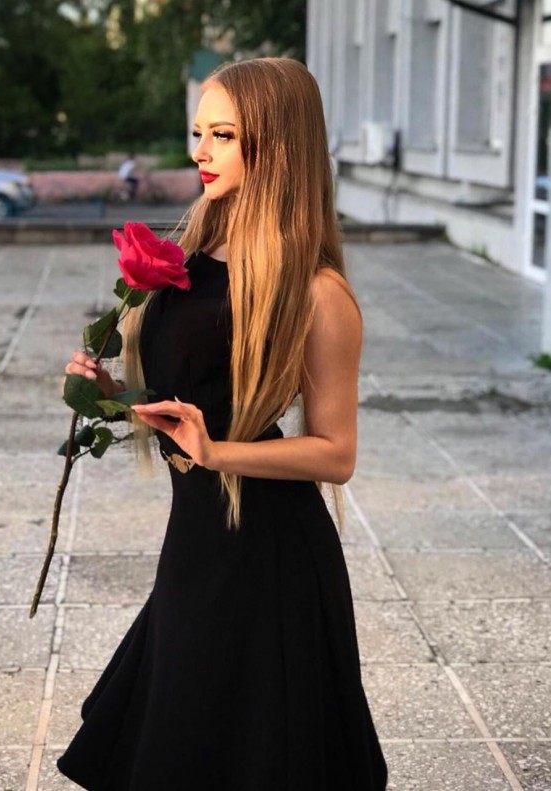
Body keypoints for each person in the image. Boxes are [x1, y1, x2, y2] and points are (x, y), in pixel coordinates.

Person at [58, 57, 388, 790]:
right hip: (196, 542)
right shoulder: (191, 260)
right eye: (197, 132)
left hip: (267, 554)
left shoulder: (316, 291)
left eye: (224, 135)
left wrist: (218, 452)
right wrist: (110, 394)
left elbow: (336, 454)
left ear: (277, 145)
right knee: (185, 743)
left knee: (243, 754)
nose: (200, 152)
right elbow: (189, 403)